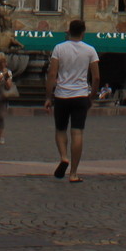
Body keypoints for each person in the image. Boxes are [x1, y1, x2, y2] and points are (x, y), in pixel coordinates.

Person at [43, 20, 99, 183]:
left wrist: (48, 96)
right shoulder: (90, 50)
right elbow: (96, 77)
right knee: (77, 132)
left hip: (61, 95)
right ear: (83, 32)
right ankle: (73, 173)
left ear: (68, 31)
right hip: (81, 95)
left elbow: (52, 74)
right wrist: (92, 96)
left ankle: (64, 157)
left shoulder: (59, 48)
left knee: (60, 129)